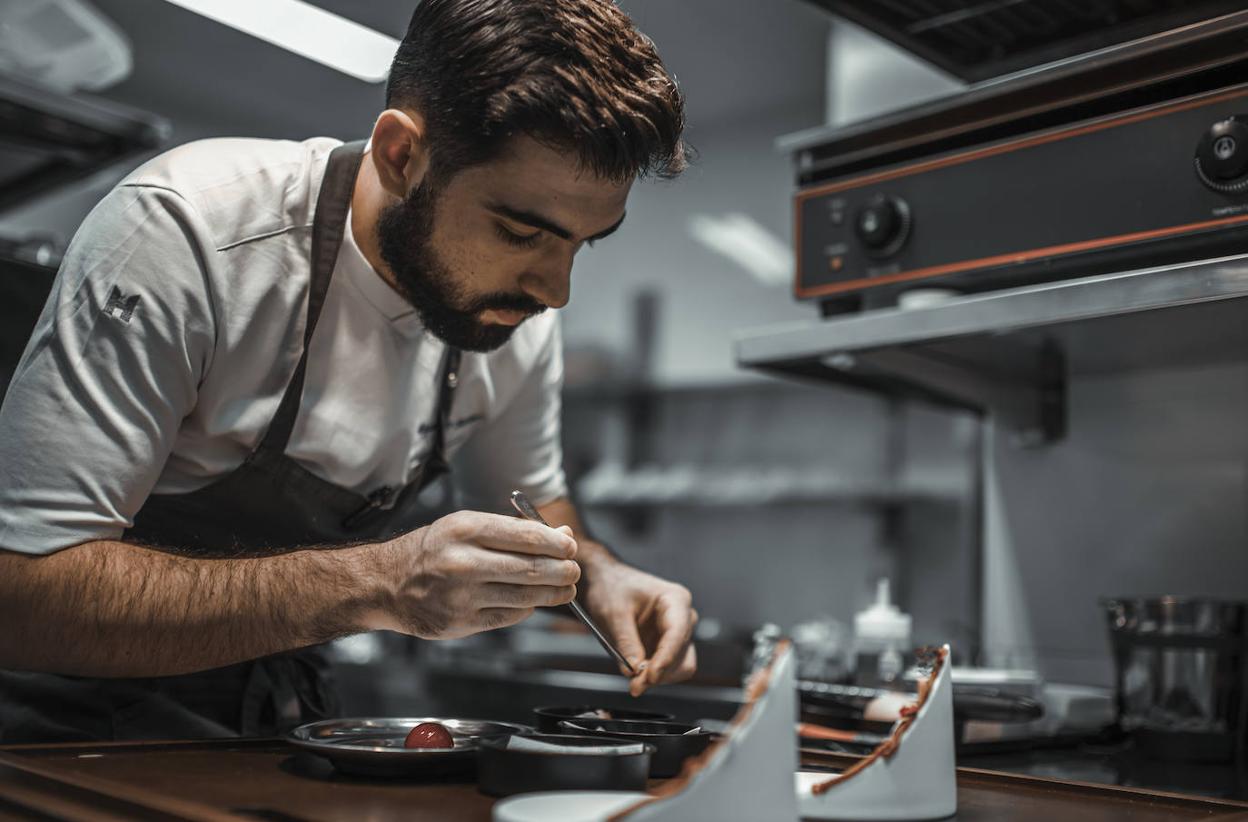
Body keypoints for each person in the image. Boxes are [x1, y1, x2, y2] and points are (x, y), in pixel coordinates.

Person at [0, 0, 697, 743]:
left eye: (585, 245)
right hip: (61, 736)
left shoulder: (512, 321)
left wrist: (598, 576)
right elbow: (22, 597)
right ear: (402, 155)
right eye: (522, 232)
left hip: (276, 726)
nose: (554, 291)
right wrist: (378, 583)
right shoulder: (190, 234)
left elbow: (538, 516)